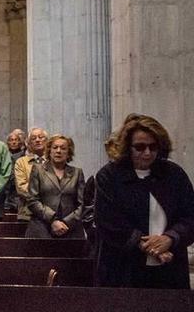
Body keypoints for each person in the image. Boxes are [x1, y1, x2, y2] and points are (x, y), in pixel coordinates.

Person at [95, 115, 194, 289]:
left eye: (153, 147)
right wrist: (147, 246)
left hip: (169, 269)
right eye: (139, 147)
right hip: (123, 269)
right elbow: (108, 221)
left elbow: (189, 216)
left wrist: (170, 238)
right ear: (128, 147)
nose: (147, 153)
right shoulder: (109, 176)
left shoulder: (174, 175)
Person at [24, 134, 85, 239]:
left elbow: (82, 203)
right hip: (42, 228)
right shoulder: (38, 170)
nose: (58, 151)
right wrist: (53, 220)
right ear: (49, 151)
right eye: (55, 147)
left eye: (63, 148)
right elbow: (32, 199)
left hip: (70, 230)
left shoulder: (77, 173)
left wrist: (66, 222)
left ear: (69, 152)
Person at [13, 127, 48, 220]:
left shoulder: (53, 161)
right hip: (28, 214)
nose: (37, 140)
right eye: (33, 138)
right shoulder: (21, 162)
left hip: (52, 213)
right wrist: (47, 192)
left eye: (41, 137)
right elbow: (21, 188)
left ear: (47, 141)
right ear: (28, 144)